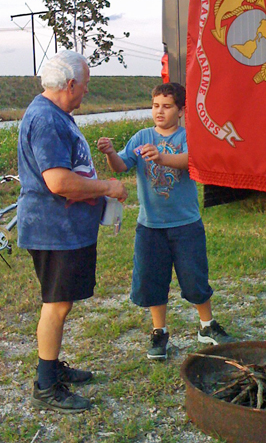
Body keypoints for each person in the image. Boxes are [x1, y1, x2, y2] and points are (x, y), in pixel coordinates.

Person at [17, 50, 128, 413]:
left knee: (61, 303)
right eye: (85, 86)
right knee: (56, 305)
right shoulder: (46, 119)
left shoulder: (56, 114)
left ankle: (52, 369)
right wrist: (108, 187)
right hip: (54, 231)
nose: (86, 92)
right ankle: (46, 385)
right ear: (69, 84)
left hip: (67, 230)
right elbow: (58, 181)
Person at [97, 82, 233, 360]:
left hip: (186, 224)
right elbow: (122, 166)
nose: (160, 111)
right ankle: (159, 333)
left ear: (181, 111)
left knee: (195, 278)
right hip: (150, 227)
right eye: (156, 105)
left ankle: (206, 326)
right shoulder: (141, 137)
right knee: (152, 280)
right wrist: (111, 153)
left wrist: (162, 157)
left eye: (167, 106)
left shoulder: (188, 136)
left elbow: (194, 160)